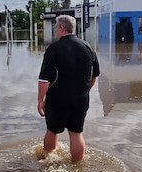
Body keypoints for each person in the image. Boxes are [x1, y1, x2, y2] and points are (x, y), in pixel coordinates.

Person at [37, 14, 100, 162]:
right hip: (80, 99)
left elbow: (44, 79)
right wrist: (84, 91)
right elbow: (94, 76)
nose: (55, 30)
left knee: (52, 131)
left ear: (61, 28)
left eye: (55, 27)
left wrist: (40, 99)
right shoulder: (88, 47)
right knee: (76, 133)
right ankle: (78, 165)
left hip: (57, 99)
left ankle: (48, 161)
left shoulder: (53, 49)